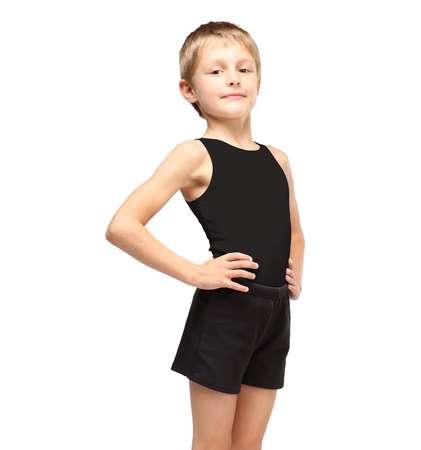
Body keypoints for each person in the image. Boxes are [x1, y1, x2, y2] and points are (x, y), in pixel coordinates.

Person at [106, 20, 305, 450]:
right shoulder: (193, 155)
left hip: (274, 318)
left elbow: (295, 232)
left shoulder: (278, 159)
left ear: (259, 82)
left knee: (248, 445)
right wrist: (195, 273)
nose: (233, 78)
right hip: (225, 317)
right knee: (213, 445)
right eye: (216, 71)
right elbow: (122, 226)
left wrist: (295, 275)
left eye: (244, 69)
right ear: (188, 90)